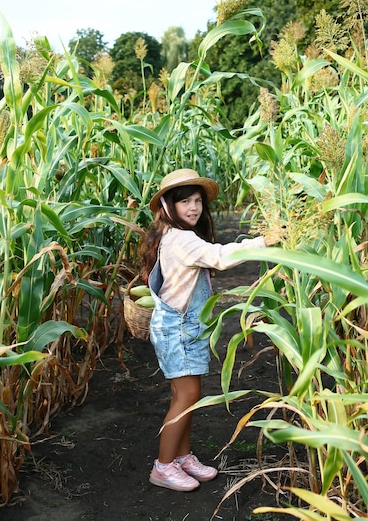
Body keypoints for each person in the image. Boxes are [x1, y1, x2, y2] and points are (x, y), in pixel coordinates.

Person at [140, 168, 280, 492]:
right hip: (179, 328)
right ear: (167, 206)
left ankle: (182, 456)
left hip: (181, 326)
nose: (193, 207)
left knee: (185, 395)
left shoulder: (175, 236)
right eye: (185, 201)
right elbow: (219, 257)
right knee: (187, 396)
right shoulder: (182, 239)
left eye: (198, 201)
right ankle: (162, 466)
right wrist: (263, 241)